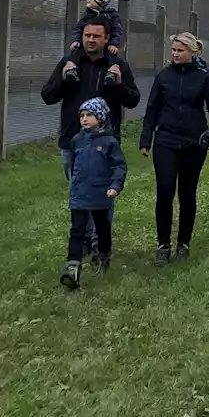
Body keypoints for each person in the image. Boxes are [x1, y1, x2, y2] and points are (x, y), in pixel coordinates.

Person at [42, 13, 141, 261]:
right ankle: (84, 239)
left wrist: (118, 84)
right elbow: (48, 96)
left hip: (105, 143)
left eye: (97, 36)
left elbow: (133, 100)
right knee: (79, 191)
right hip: (72, 141)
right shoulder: (69, 62)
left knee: (102, 192)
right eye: (87, 35)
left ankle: (100, 243)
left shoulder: (118, 65)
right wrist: (64, 80)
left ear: (107, 39)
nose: (91, 40)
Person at [141, 32, 209, 265]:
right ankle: (163, 246)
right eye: (173, 50)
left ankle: (183, 244)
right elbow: (152, 109)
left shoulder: (203, 77)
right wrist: (145, 139)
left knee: (187, 194)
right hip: (166, 141)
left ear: (192, 52)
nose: (175, 54)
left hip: (194, 143)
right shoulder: (163, 77)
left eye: (180, 50)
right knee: (165, 191)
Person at [60, 98, 127, 290]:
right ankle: (73, 267)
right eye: (82, 116)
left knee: (102, 228)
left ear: (101, 117)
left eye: (89, 115)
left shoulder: (109, 142)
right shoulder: (77, 141)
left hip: (101, 195)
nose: (84, 119)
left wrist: (115, 186)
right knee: (77, 230)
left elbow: (119, 166)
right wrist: (75, 185)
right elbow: (74, 165)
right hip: (79, 195)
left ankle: (103, 254)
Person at [65, 0, 125, 76]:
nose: (87, 0)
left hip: (106, 45)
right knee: (76, 51)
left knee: (111, 54)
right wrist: (76, 40)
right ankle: (71, 68)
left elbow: (117, 31)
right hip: (86, 47)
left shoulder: (112, 15)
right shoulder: (87, 15)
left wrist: (114, 43)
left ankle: (112, 73)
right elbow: (78, 28)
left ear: (100, 1)